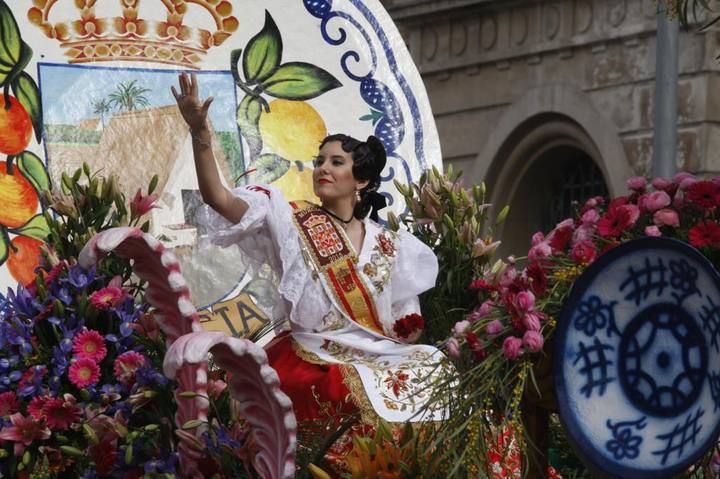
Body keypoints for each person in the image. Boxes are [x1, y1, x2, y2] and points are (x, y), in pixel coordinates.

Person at [172, 72, 445, 431]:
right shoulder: (288, 218)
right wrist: (200, 133)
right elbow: (218, 198)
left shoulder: (391, 244)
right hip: (313, 353)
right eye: (319, 161)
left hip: (375, 353)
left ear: (361, 180)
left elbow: (403, 319)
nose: (322, 169)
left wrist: (406, 331)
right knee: (336, 385)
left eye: (336, 162)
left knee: (435, 369)